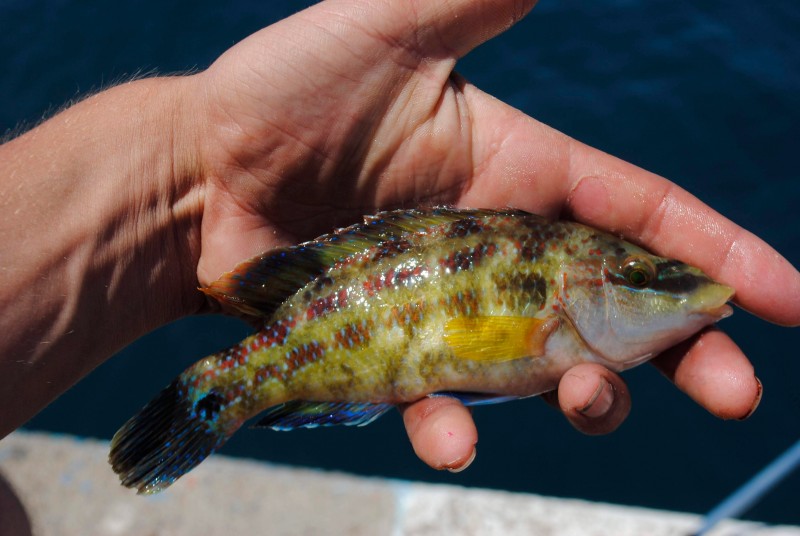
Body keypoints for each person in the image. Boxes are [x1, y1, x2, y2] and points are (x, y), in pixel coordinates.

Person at [0, 0, 797, 474]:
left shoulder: (576, 301)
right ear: (588, 288)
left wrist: (189, 171)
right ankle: (220, 399)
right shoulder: (558, 306)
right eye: (646, 277)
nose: (674, 288)